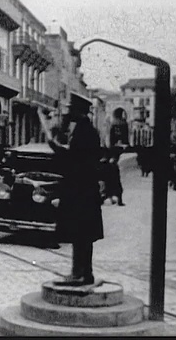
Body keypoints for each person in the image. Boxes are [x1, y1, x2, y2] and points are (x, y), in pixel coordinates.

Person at [37, 92, 103, 286]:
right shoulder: (86, 129)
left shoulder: (83, 132)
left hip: (80, 190)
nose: (67, 112)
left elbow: (75, 160)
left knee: (80, 233)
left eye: (70, 109)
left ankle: (80, 274)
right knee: (83, 234)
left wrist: (55, 147)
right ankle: (84, 272)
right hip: (85, 190)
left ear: (78, 111)